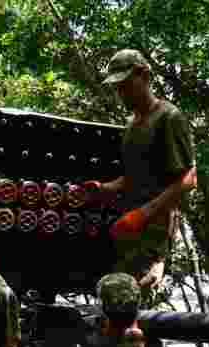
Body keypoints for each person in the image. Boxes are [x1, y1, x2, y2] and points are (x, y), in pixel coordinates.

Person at [84, 49, 197, 303]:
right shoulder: (132, 124)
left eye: (126, 84)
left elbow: (188, 179)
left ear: (144, 76)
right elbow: (133, 177)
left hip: (153, 234)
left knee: (135, 307)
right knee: (118, 305)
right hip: (129, 231)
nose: (121, 92)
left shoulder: (169, 117)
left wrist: (142, 215)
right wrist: (104, 188)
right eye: (118, 87)